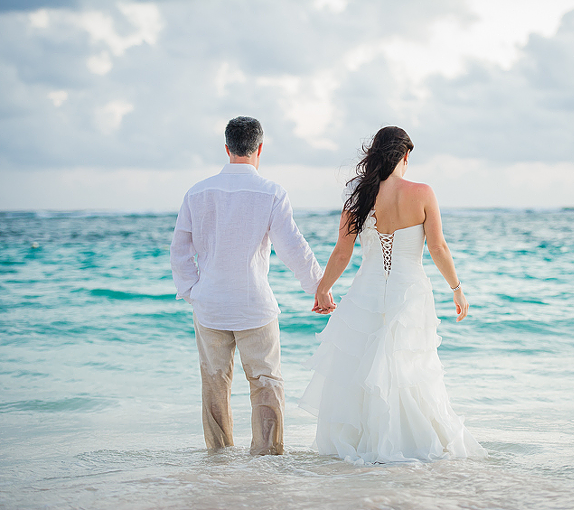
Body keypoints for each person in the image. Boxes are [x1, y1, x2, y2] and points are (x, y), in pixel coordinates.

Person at [299, 126, 486, 464]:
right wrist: (457, 289)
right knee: (408, 368)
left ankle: (366, 447)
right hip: (409, 292)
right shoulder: (422, 192)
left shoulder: (359, 199)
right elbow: (438, 247)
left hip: (364, 293)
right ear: (405, 155)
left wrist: (323, 288)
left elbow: (342, 253)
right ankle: (406, 445)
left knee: (362, 369)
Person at [170, 116, 324, 455]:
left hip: (209, 305)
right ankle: (267, 459)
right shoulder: (271, 192)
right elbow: (293, 247)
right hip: (255, 304)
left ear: (227, 148)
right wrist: (317, 287)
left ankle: (219, 458)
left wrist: (192, 291)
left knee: (214, 384)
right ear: (260, 148)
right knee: (266, 383)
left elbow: (180, 250)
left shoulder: (197, 192)